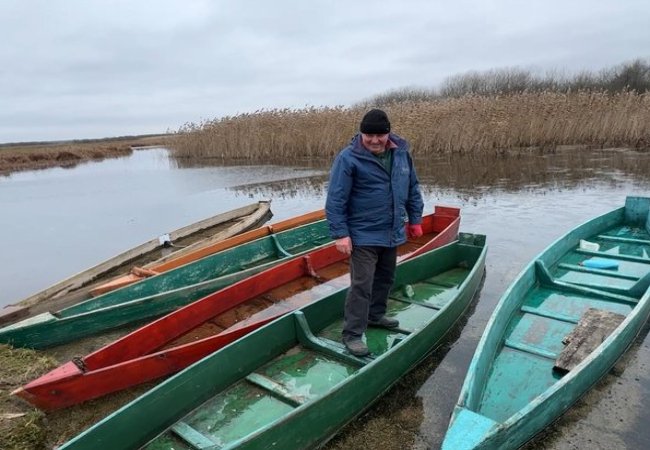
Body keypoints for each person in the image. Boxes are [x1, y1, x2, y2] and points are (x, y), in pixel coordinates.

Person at [325, 108, 424, 357]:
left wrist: (415, 219)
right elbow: (336, 199)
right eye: (369, 135)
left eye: (380, 135)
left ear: (388, 134)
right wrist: (340, 234)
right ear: (362, 133)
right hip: (362, 234)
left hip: (391, 231)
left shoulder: (401, 154)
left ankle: (375, 315)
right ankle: (352, 334)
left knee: (386, 278)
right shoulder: (348, 158)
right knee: (362, 285)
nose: (374, 140)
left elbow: (412, 188)